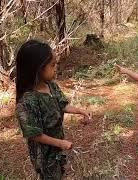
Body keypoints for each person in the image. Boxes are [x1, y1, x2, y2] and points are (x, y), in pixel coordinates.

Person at [15, 40, 91, 179]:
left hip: (57, 148)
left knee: (59, 171)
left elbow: (63, 105)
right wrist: (60, 143)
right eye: (52, 65)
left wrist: (81, 111)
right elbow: (34, 134)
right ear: (37, 68)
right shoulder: (27, 101)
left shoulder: (52, 86)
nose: (56, 68)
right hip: (44, 154)